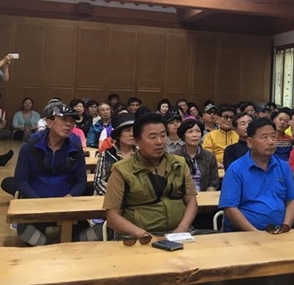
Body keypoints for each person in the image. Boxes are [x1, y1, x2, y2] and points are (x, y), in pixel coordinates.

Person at [103, 113, 198, 239]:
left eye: (163, 136)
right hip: (138, 236)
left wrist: (181, 230)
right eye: (152, 137)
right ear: (137, 140)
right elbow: (112, 217)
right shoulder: (121, 170)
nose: (159, 142)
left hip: (179, 232)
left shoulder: (179, 164)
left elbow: (191, 201)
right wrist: (144, 235)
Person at [13, 103, 87, 245]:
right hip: (36, 201)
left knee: (92, 231)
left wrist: (70, 197)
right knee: (23, 229)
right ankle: (50, 247)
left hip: (66, 202)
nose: (69, 124)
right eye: (63, 120)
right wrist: (36, 200)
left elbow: (81, 181)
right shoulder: (30, 147)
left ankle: (64, 244)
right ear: (49, 122)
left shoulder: (75, 149)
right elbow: (21, 180)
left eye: (72, 121)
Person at [219, 118, 294, 232]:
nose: (271, 142)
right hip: (244, 234)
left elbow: (291, 201)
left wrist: (286, 226)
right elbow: (230, 209)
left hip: (279, 232)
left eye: (273, 136)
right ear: (250, 142)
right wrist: (256, 234)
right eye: (264, 137)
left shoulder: (283, 166)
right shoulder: (236, 169)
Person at [93, 112, 136, 196]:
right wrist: (115, 196)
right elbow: (98, 182)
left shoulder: (142, 154)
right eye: (127, 130)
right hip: (110, 196)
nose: (132, 134)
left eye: (134, 130)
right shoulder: (107, 154)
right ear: (118, 135)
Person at [173, 120, 219, 192]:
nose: (195, 135)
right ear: (183, 136)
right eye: (190, 132)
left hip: (205, 195)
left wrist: (206, 195)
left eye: (198, 131)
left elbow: (214, 182)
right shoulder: (174, 156)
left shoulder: (209, 156)